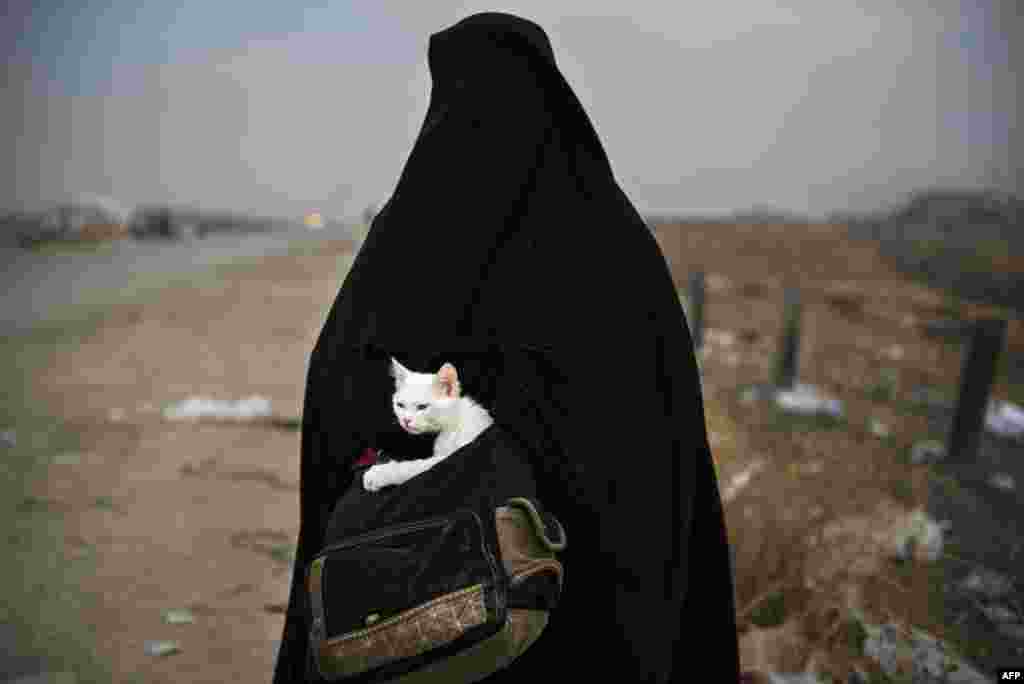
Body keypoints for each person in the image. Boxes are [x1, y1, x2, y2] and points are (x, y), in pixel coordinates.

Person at [272, 12, 740, 683]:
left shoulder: (405, 244)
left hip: (422, 629)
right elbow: (659, 470)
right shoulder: (617, 248)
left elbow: (341, 409)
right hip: (594, 622)